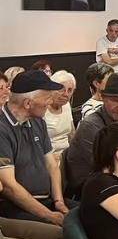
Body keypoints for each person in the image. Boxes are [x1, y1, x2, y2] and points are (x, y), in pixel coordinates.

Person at [0, 71, 77, 224]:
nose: (51, 102)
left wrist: (59, 201)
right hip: (15, 207)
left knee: (94, 214)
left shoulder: (38, 122)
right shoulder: (2, 129)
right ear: (28, 103)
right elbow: (9, 187)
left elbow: (52, 166)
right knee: (64, 231)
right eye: (47, 97)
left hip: (47, 201)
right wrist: (48, 215)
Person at [44, 71, 76, 159]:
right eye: (61, 89)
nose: (66, 94)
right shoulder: (42, 109)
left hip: (67, 156)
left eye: (70, 90)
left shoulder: (66, 105)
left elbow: (72, 134)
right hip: (49, 158)